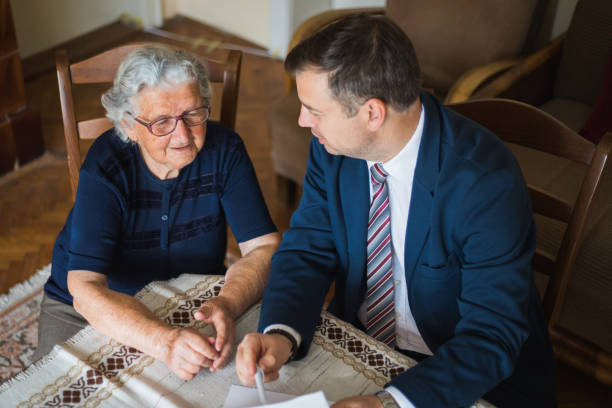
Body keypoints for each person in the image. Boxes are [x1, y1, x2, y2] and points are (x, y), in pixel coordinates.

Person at [235, 14, 556, 408]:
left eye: (314, 110)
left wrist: (388, 403)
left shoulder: (485, 184)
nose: (303, 122)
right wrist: (281, 335)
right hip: (362, 344)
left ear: (372, 113)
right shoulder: (333, 149)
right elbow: (308, 248)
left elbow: (491, 335)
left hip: (461, 374)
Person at [34, 45, 280, 381]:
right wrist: (164, 343)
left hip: (195, 297)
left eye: (193, 114)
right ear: (129, 125)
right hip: (98, 307)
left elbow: (264, 247)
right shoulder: (106, 168)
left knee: (251, 373)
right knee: (58, 392)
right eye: (162, 122)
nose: (182, 134)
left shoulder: (225, 150)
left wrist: (228, 302)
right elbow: (86, 287)